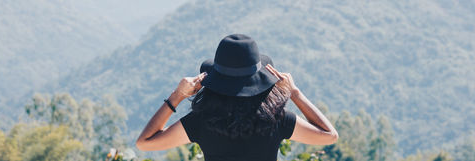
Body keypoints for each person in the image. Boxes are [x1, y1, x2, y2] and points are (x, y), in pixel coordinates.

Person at [136, 34, 338, 161]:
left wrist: (177, 96)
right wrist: (294, 93)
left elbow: (145, 143)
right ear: (260, 77)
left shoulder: (201, 120)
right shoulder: (276, 119)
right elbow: (329, 136)